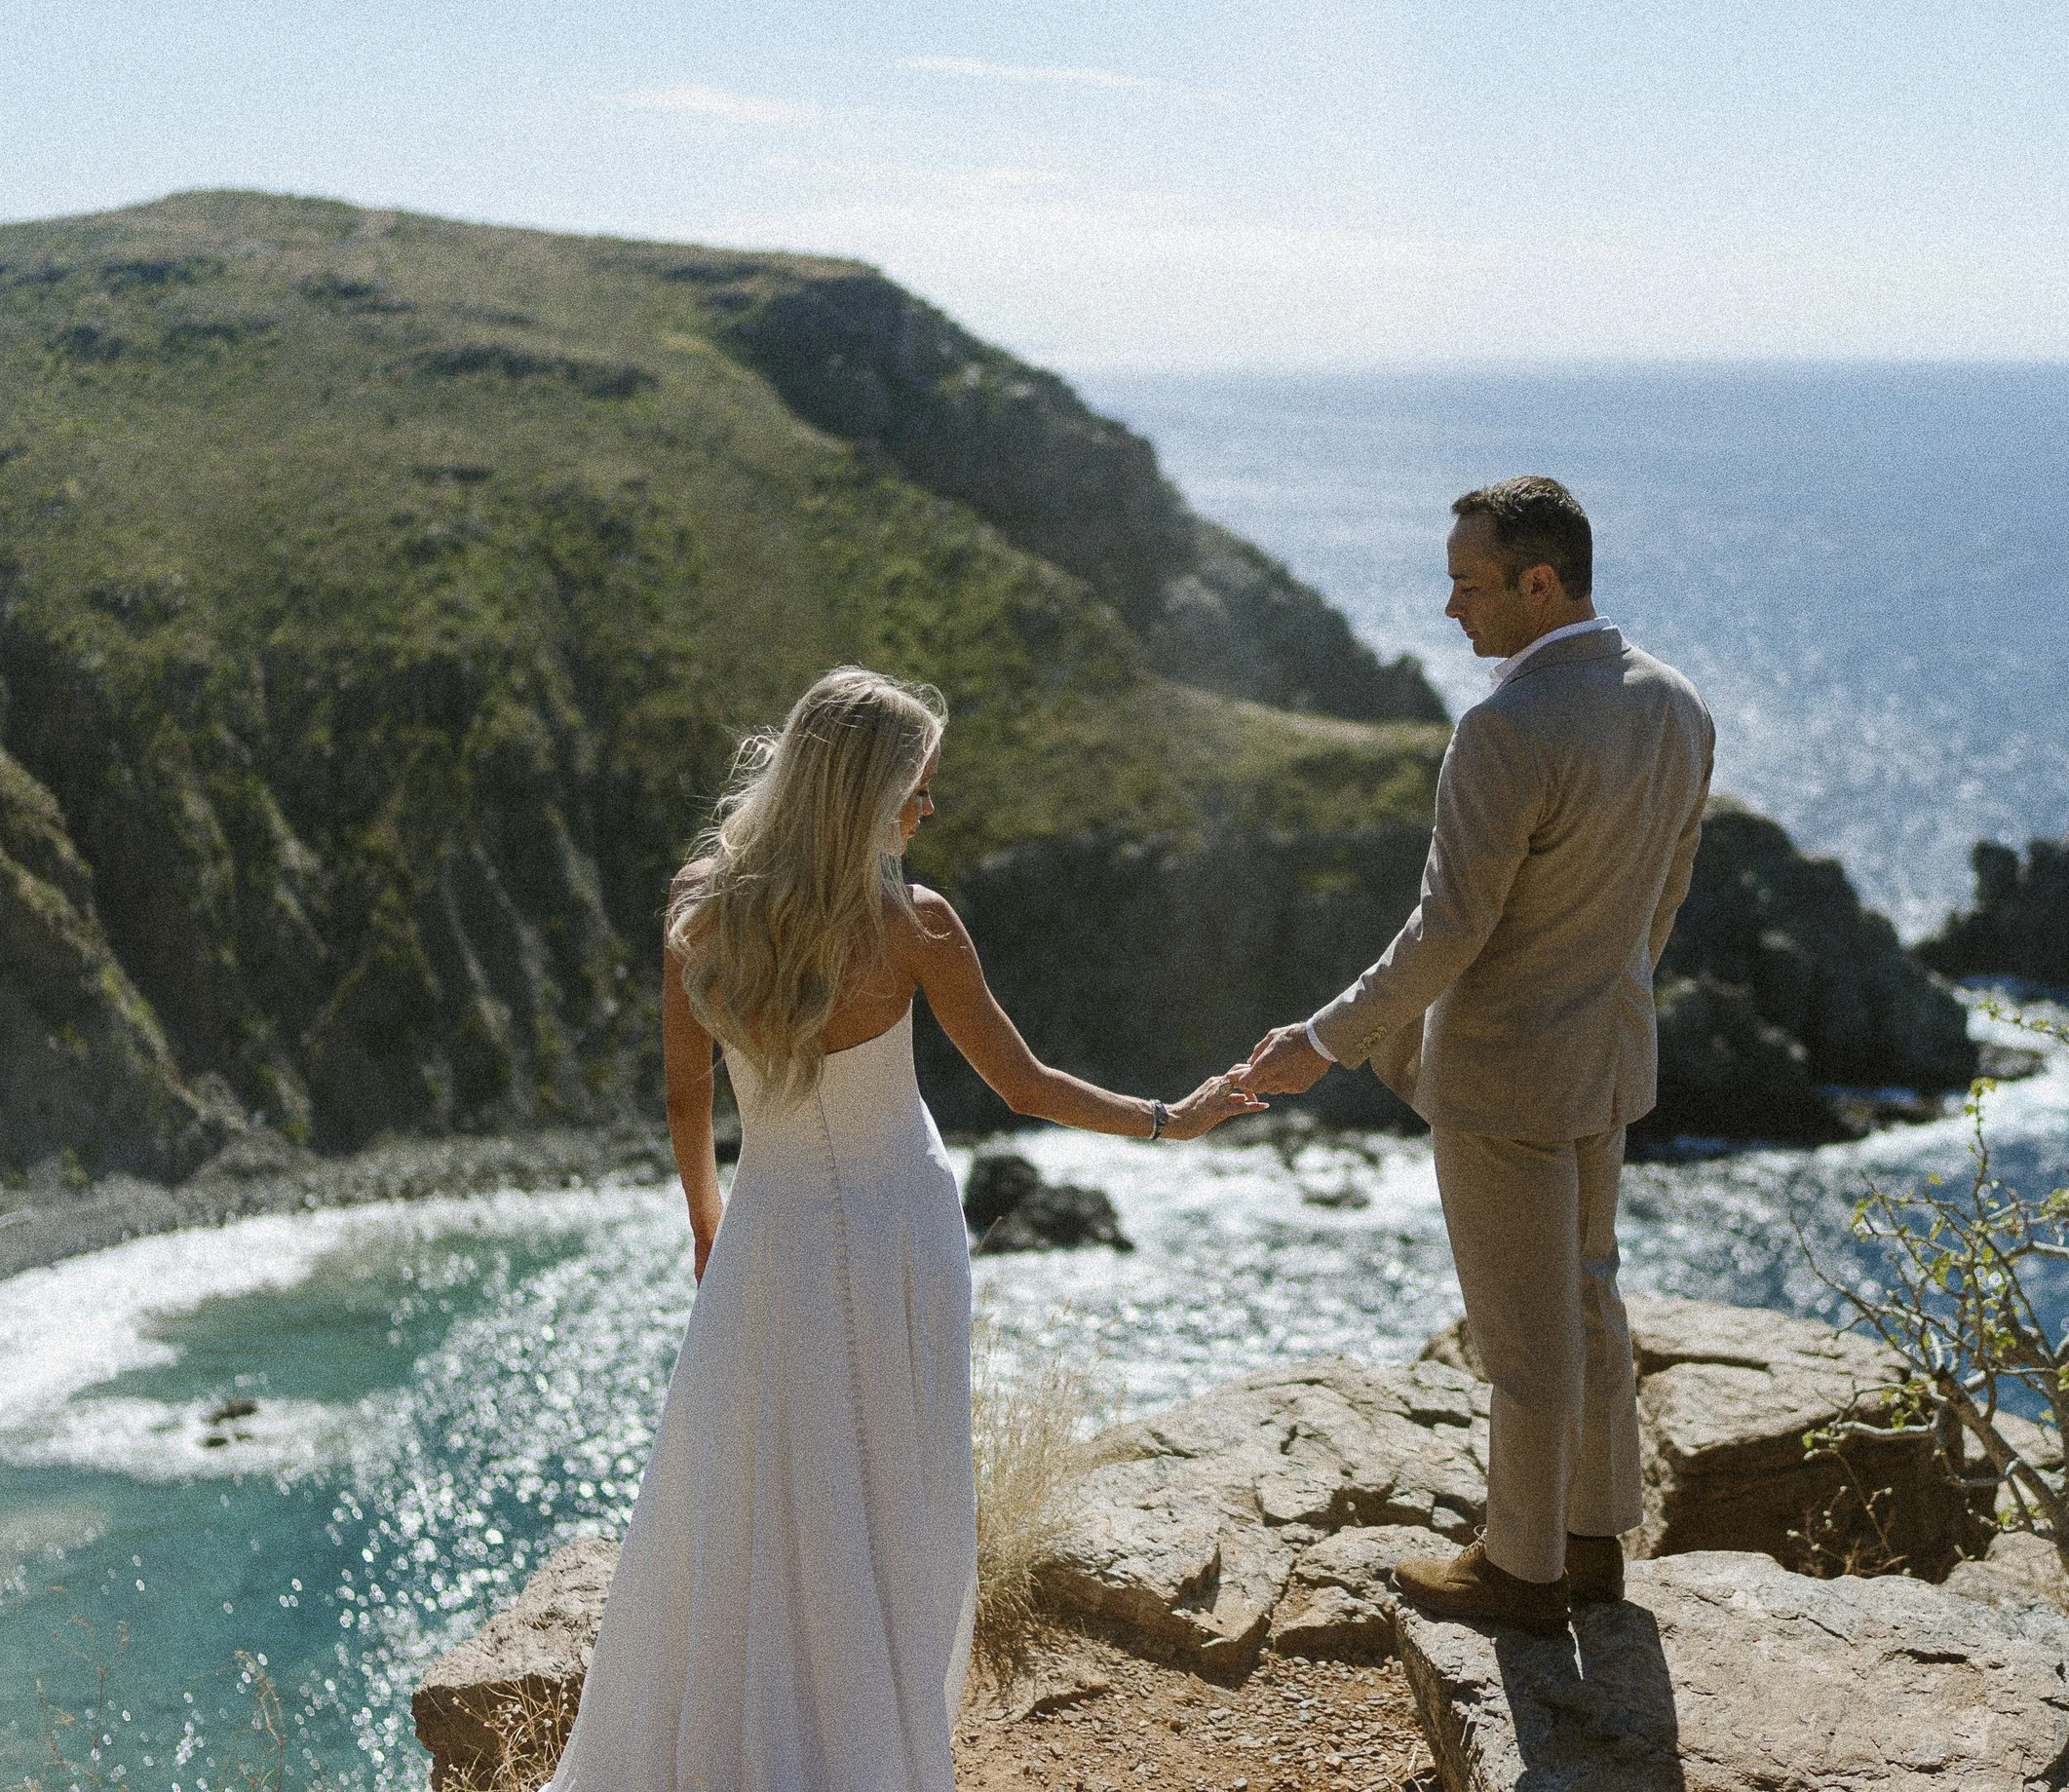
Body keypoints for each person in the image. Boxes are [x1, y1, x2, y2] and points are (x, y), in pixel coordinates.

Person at [543, 667, 1259, 1792]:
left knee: (759, 1482)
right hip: (896, 1232)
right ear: (866, 792)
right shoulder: (914, 924)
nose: (928, 808)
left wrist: (704, 1221)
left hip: (769, 1229)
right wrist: (1171, 1116)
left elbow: (688, 1097)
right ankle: (870, 1737)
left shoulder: (701, 905)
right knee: (889, 1480)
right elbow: (1022, 1086)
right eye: (918, 786)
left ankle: (756, 1736)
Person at [1238, 476, 1713, 1633]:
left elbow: (1446, 929)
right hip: (1608, 1058)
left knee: (1520, 1335)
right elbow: (1668, 891)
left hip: (1504, 1075)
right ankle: (1594, 1540)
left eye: (1469, 585)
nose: (1451, 608)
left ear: (1538, 583)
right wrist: (1611, 993)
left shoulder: (1505, 729)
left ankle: (1519, 1566)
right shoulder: (1675, 703)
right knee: (1592, 1299)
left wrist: (1321, 1041)